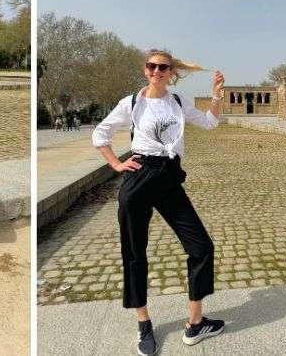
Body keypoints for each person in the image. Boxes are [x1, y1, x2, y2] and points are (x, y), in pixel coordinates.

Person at [92, 48, 226, 355]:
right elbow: (101, 133)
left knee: (201, 247)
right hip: (139, 179)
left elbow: (209, 123)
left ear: (171, 72)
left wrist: (216, 96)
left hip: (169, 180)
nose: (156, 71)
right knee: (135, 253)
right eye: (151, 66)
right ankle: (143, 323)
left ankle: (195, 324)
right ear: (145, 69)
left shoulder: (178, 102)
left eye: (163, 67)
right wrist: (115, 164)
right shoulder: (132, 103)